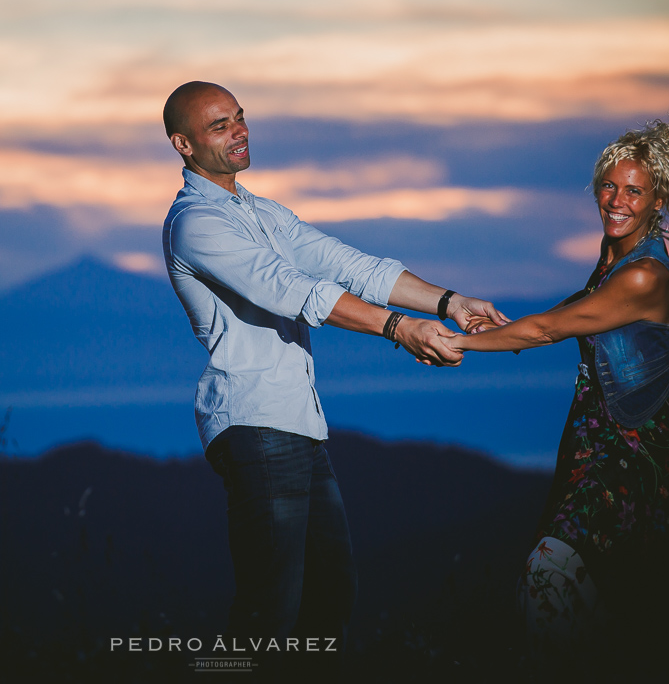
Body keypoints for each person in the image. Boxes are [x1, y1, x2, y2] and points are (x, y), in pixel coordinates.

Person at [160, 81, 506, 658]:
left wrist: (447, 303)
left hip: (298, 428)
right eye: (219, 126)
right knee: (267, 614)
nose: (239, 131)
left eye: (240, 118)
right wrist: (399, 329)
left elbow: (350, 266)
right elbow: (296, 291)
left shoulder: (262, 213)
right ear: (183, 145)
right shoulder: (197, 223)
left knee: (327, 603)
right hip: (256, 426)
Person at [451, 119, 669, 661]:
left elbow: (552, 329)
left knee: (550, 571)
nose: (616, 201)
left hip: (632, 451)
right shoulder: (615, 253)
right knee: (601, 595)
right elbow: (574, 310)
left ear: (657, 199)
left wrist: (457, 342)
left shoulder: (644, 276)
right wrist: (501, 332)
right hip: (597, 442)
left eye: (634, 191)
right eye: (609, 186)